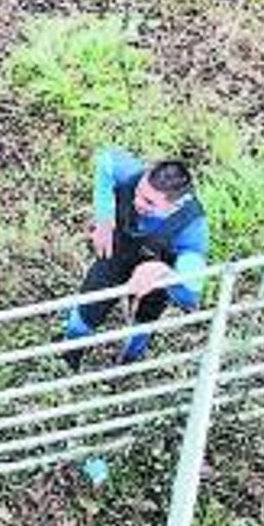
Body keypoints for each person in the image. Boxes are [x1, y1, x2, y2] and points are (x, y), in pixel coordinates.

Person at [61, 147, 210, 368]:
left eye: (150, 203)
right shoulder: (132, 174)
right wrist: (104, 216)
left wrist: (163, 273)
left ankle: (126, 366)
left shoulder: (192, 227)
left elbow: (191, 293)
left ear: (176, 204)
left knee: (141, 328)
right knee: (82, 316)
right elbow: (105, 159)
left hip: (156, 279)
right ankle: (68, 361)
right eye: (139, 192)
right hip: (117, 252)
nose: (137, 202)